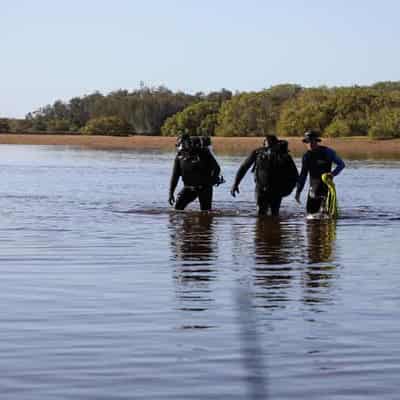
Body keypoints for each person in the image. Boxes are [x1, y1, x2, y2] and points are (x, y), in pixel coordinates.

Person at [230, 135, 298, 216]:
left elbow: (295, 175)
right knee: (261, 213)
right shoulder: (258, 153)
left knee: (273, 213)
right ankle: (264, 227)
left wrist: (287, 190)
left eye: (270, 143)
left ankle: (269, 227)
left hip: (276, 190)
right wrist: (235, 184)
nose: (269, 148)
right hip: (261, 188)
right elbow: (244, 167)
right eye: (267, 143)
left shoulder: (283, 155)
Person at [295, 130, 345, 215]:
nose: (310, 144)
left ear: (316, 141)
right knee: (310, 217)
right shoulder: (306, 156)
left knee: (327, 218)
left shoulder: (327, 152)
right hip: (313, 191)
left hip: (327, 190)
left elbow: (341, 164)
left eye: (312, 141)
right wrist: (298, 191)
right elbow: (303, 175)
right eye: (307, 142)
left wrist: (332, 174)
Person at [169, 134, 222, 211]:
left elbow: (216, 168)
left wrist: (212, 180)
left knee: (205, 212)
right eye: (180, 144)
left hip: (204, 188)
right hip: (188, 187)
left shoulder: (203, 152)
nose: (182, 147)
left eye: (184, 144)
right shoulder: (179, 157)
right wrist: (171, 193)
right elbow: (175, 176)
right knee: (177, 210)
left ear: (189, 143)